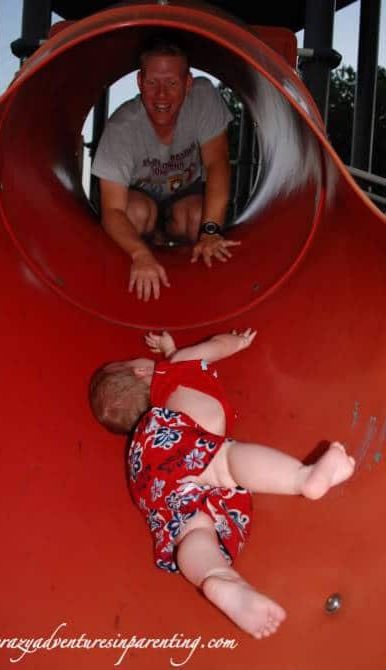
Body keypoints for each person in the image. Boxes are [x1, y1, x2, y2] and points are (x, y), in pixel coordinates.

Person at [89, 329, 355, 639]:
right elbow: (215, 348)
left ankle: (218, 577)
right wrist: (236, 342)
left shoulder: (159, 407)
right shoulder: (174, 366)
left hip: (148, 479)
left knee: (192, 530)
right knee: (226, 462)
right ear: (143, 371)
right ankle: (301, 478)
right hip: (173, 444)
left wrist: (171, 349)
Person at [91, 36, 240, 302]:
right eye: (152, 83)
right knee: (134, 213)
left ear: (188, 83)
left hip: (184, 196)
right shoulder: (122, 128)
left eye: (172, 83)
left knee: (199, 217)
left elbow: (217, 164)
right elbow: (112, 211)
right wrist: (140, 254)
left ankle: (189, 283)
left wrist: (210, 232)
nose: (162, 95)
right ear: (139, 82)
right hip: (142, 197)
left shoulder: (202, 98)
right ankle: (147, 248)